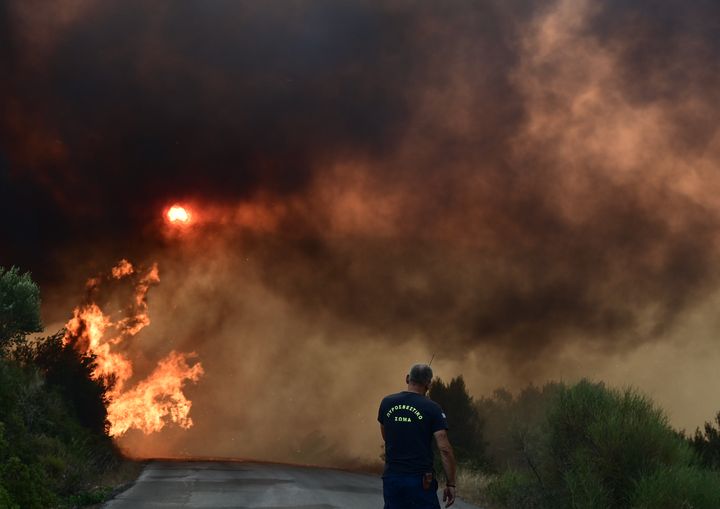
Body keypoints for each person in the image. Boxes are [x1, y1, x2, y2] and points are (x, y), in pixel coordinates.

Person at [378, 364, 457, 508]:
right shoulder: (433, 408)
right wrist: (450, 483)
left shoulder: (387, 402)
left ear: (407, 378)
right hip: (420, 481)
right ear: (429, 384)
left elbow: (386, 436)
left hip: (392, 477)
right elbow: (445, 449)